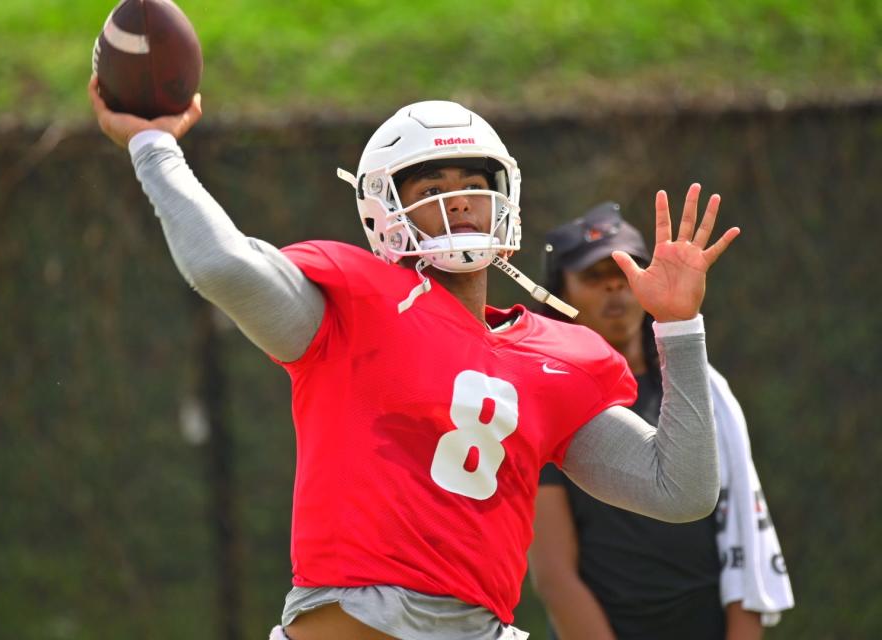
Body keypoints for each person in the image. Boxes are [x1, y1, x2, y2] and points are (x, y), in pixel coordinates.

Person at [88, 76, 741, 640]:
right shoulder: (348, 307)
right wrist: (153, 145)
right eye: (431, 184)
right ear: (384, 207)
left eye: (472, 183)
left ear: (505, 197)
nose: (456, 198)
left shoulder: (554, 358)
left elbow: (680, 491)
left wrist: (680, 326)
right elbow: (220, 264)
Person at [529, 202, 794, 640]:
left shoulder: (704, 390)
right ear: (560, 293)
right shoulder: (550, 401)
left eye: (628, 267)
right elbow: (556, 579)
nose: (615, 284)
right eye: (592, 276)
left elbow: (743, 538)